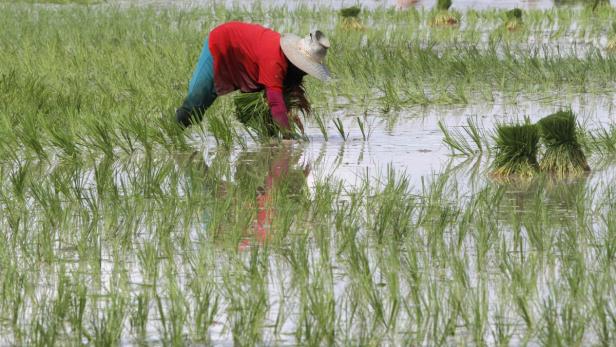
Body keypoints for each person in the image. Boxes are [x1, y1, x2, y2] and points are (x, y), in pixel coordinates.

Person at [176, 21, 332, 136]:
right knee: (195, 104)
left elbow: (280, 103)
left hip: (242, 61)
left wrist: (289, 116)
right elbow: (276, 103)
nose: (304, 73)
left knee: (265, 117)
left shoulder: (286, 66)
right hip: (221, 45)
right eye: (304, 67)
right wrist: (289, 137)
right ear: (296, 61)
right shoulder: (275, 60)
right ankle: (170, 134)